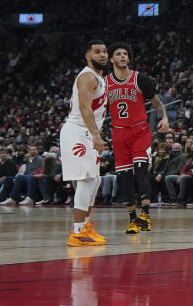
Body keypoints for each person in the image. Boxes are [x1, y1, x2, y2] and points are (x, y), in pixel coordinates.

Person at [106, 43, 170, 235]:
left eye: (126, 54)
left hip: (140, 131)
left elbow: (157, 103)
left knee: (141, 172)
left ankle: (146, 216)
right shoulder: (105, 83)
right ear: (111, 59)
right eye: (118, 54)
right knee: (124, 178)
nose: (123, 57)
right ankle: (133, 220)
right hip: (118, 132)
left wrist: (164, 117)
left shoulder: (140, 79)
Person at [59, 41, 110, 246]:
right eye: (97, 52)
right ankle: (78, 232)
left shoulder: (99, 77)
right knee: (86, 180)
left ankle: (86, 226)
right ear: (88, 56)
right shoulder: (87, 77)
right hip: (78, 131)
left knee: (94, 180)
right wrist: (96, 134)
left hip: (86, 132)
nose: (103, 55)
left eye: (105, 52)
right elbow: (85, 108)